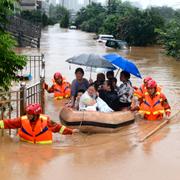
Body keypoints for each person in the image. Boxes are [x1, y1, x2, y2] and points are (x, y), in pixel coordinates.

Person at [0, 103, 78, 144]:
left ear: (36, 114)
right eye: (27, 113)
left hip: (44, 149)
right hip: (26, 147)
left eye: (30, 114)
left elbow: (59, 128)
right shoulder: (22, 120)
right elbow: (8, 123)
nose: (28, 116)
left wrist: (71, 131)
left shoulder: (47, 121)